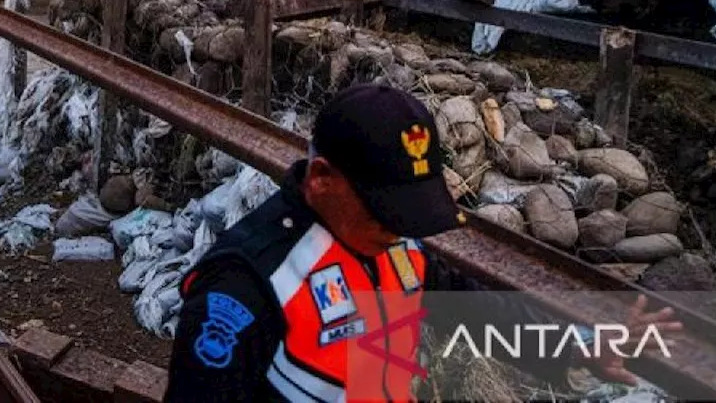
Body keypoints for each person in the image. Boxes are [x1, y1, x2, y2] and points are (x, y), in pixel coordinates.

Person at [164, 84, 681, 402]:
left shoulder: (396, 248)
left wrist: (582, 346)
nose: (399, 230)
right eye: (384, 211)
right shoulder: (247, 283)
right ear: (322, 178)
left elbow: (481, 313)